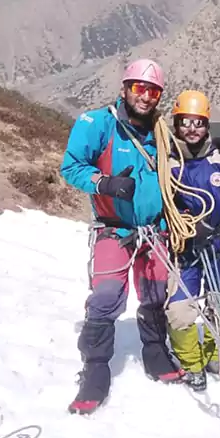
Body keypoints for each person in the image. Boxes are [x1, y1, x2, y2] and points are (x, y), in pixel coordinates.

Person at [59, 58, 183, 415]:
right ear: (125, 88)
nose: (145, 97)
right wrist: (105, 183)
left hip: (154, 229)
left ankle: (155, 352)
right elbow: (71, 166)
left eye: (153, 91)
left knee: (156, 292)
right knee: (107, 294)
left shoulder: (161, 132)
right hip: (115, 227)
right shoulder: (99, 124)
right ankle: (95, 369)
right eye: (139, 88)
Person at [163, 90, 220, 392]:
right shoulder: (166, 164)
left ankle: (216, 354)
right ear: (176, 124)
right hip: (185, 248)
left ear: (207, 126)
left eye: (199, 122)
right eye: (185, 122)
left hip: (219, 247)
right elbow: (160, 205)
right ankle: (192, 363)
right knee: (180, 309)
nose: (192, 129)